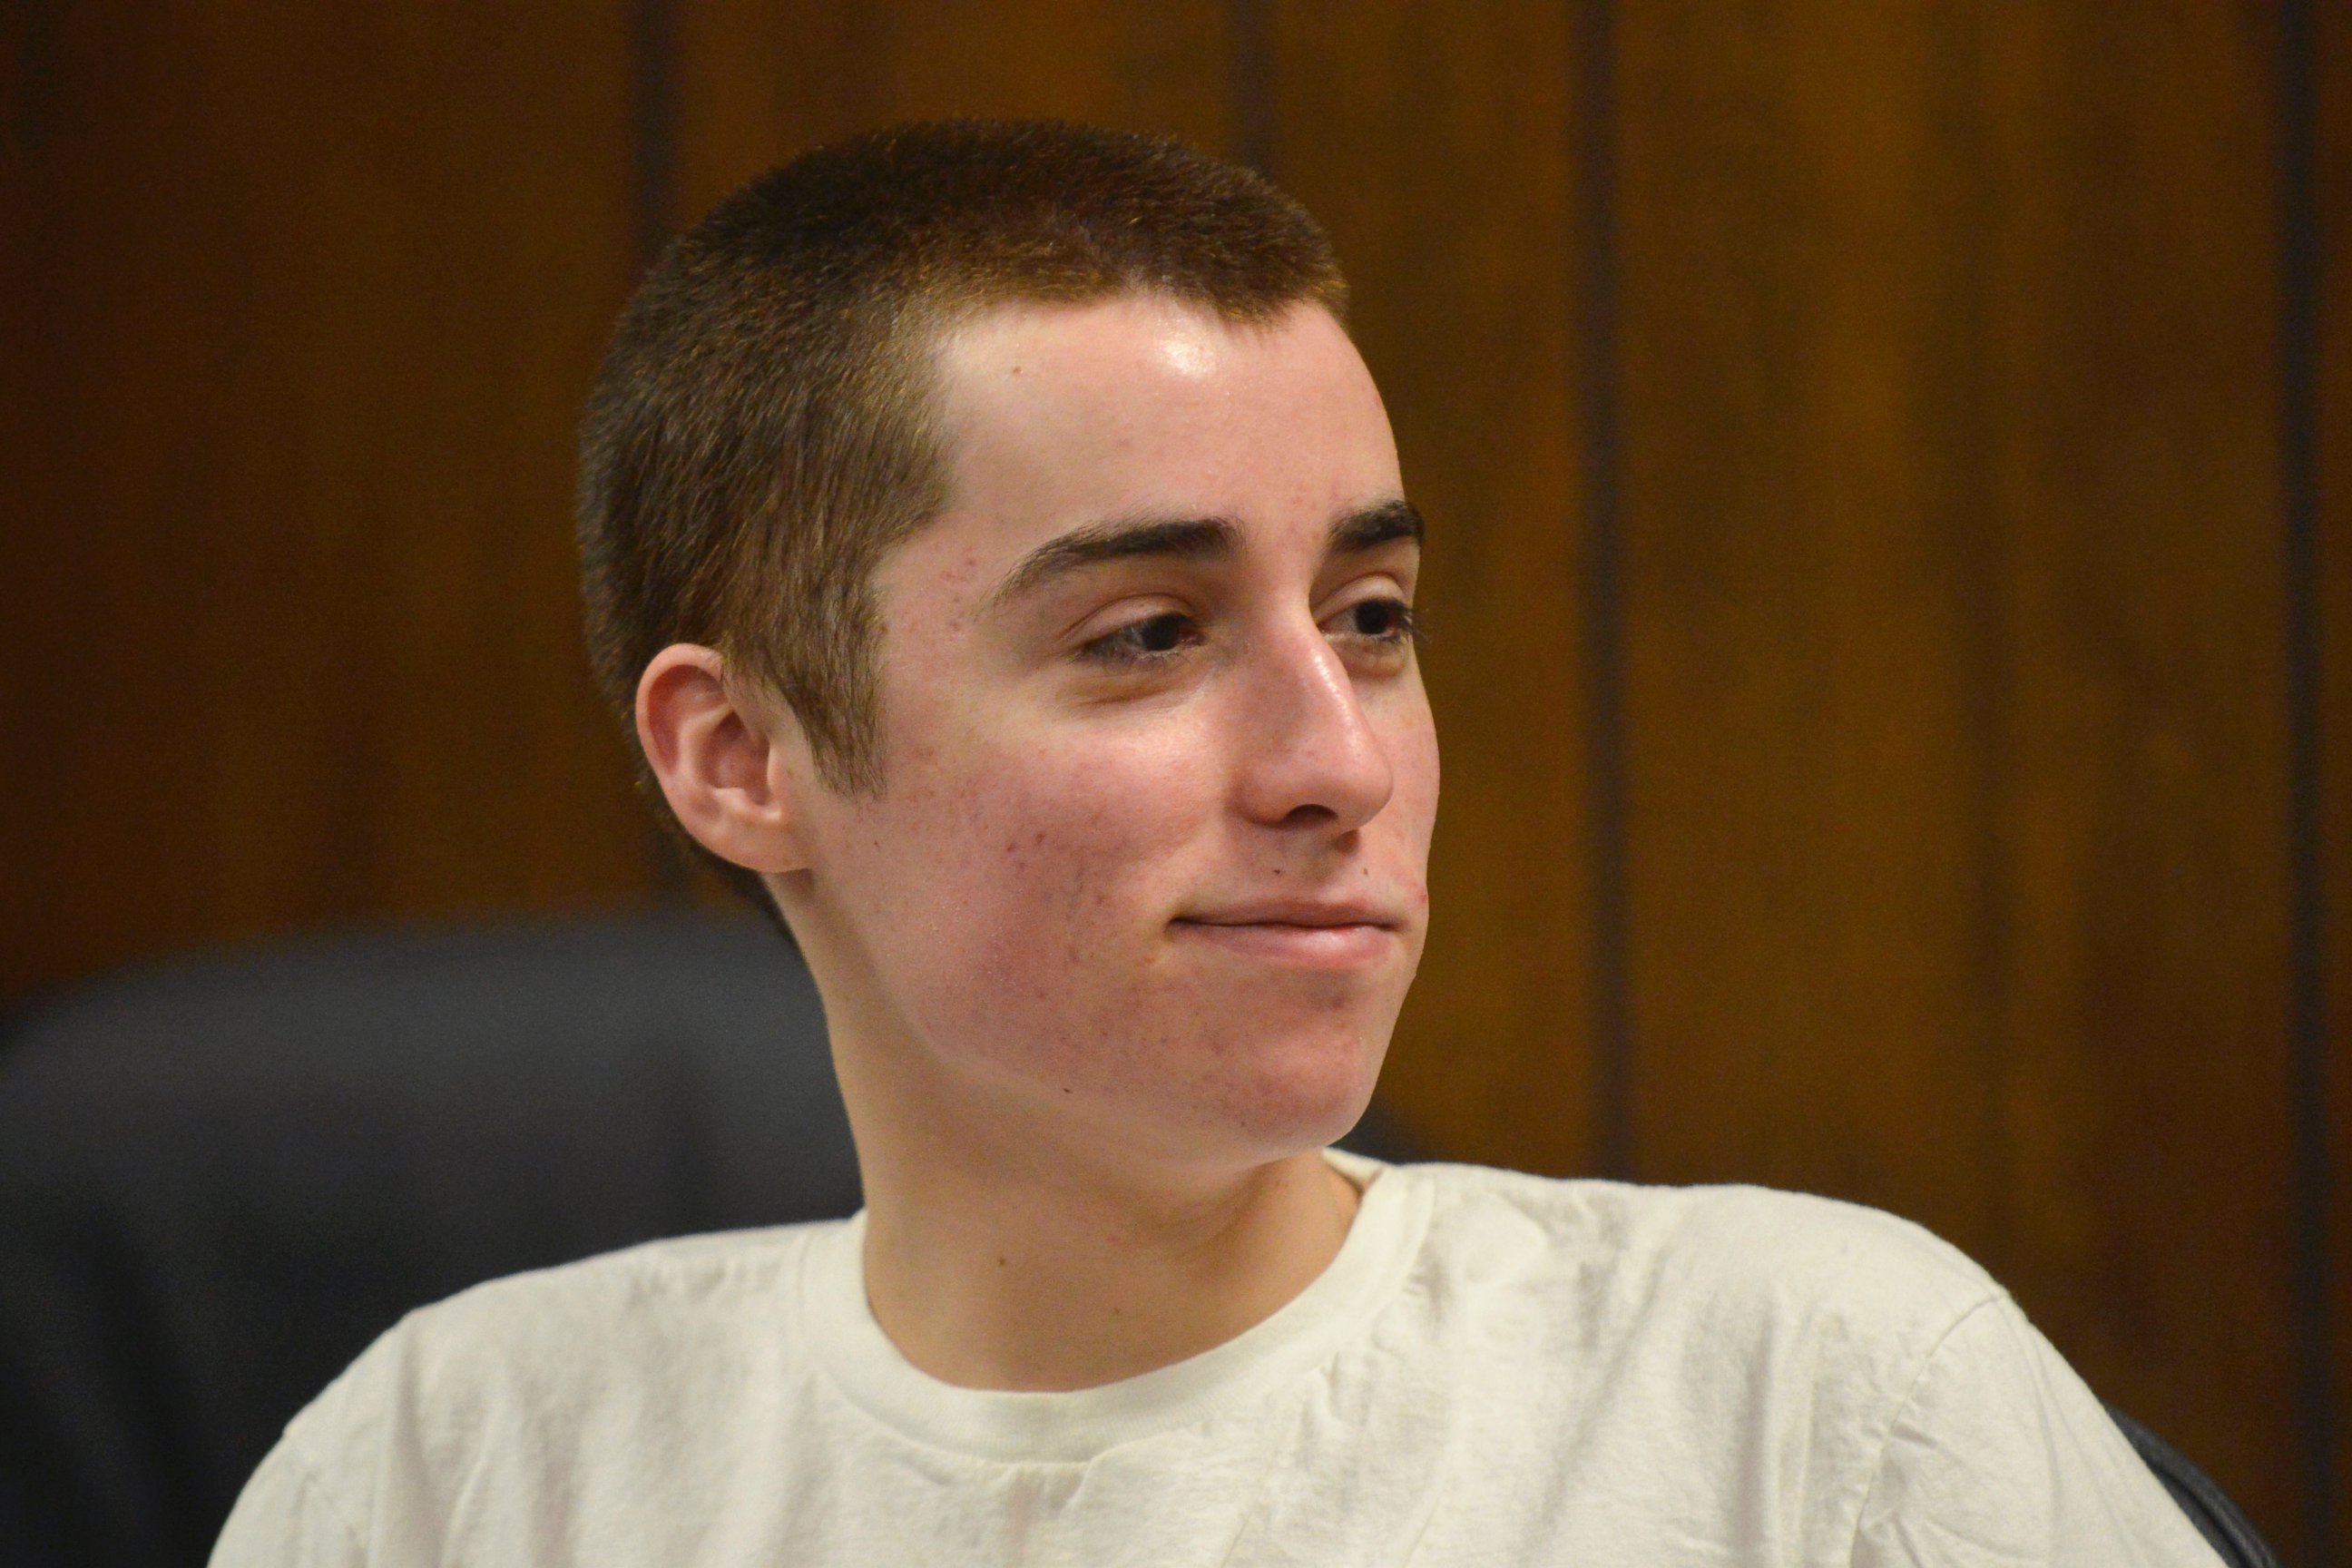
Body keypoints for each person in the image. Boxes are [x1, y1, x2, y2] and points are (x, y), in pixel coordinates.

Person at [211, 120, 2220, 1566]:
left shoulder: (1810, 1406)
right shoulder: (442, 1477)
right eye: (1149, 634)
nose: (1336, 758)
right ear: (740, 755)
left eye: (1372, 619)